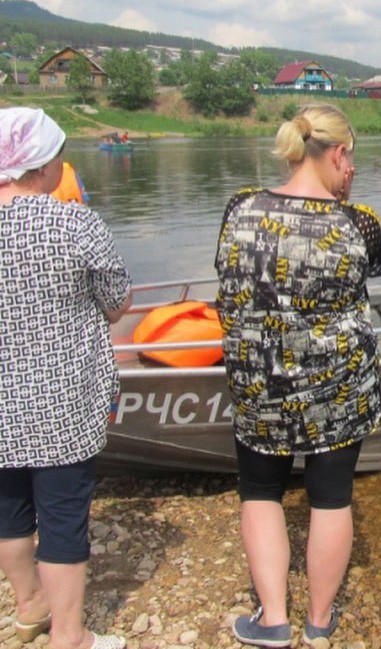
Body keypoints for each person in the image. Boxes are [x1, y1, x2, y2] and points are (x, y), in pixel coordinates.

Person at [215, 103, 381, 648]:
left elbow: (229, 275)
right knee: (330, 497)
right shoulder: (358, 222)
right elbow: (367, 274)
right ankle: (318, 620)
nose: (351, 171)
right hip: (336, 387)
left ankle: (272, 620)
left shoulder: (240, 206)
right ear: (337, 154)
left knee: (260, 491)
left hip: (259, 382)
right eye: (350, 160)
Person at [0, 107, 132, 649]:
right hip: (62, 399)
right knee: (61, 518)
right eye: (58, 155)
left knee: (8, 511)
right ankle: (70, 636)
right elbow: (118, 301)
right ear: (41, 166)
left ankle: (28, 608)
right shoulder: (73, 223)